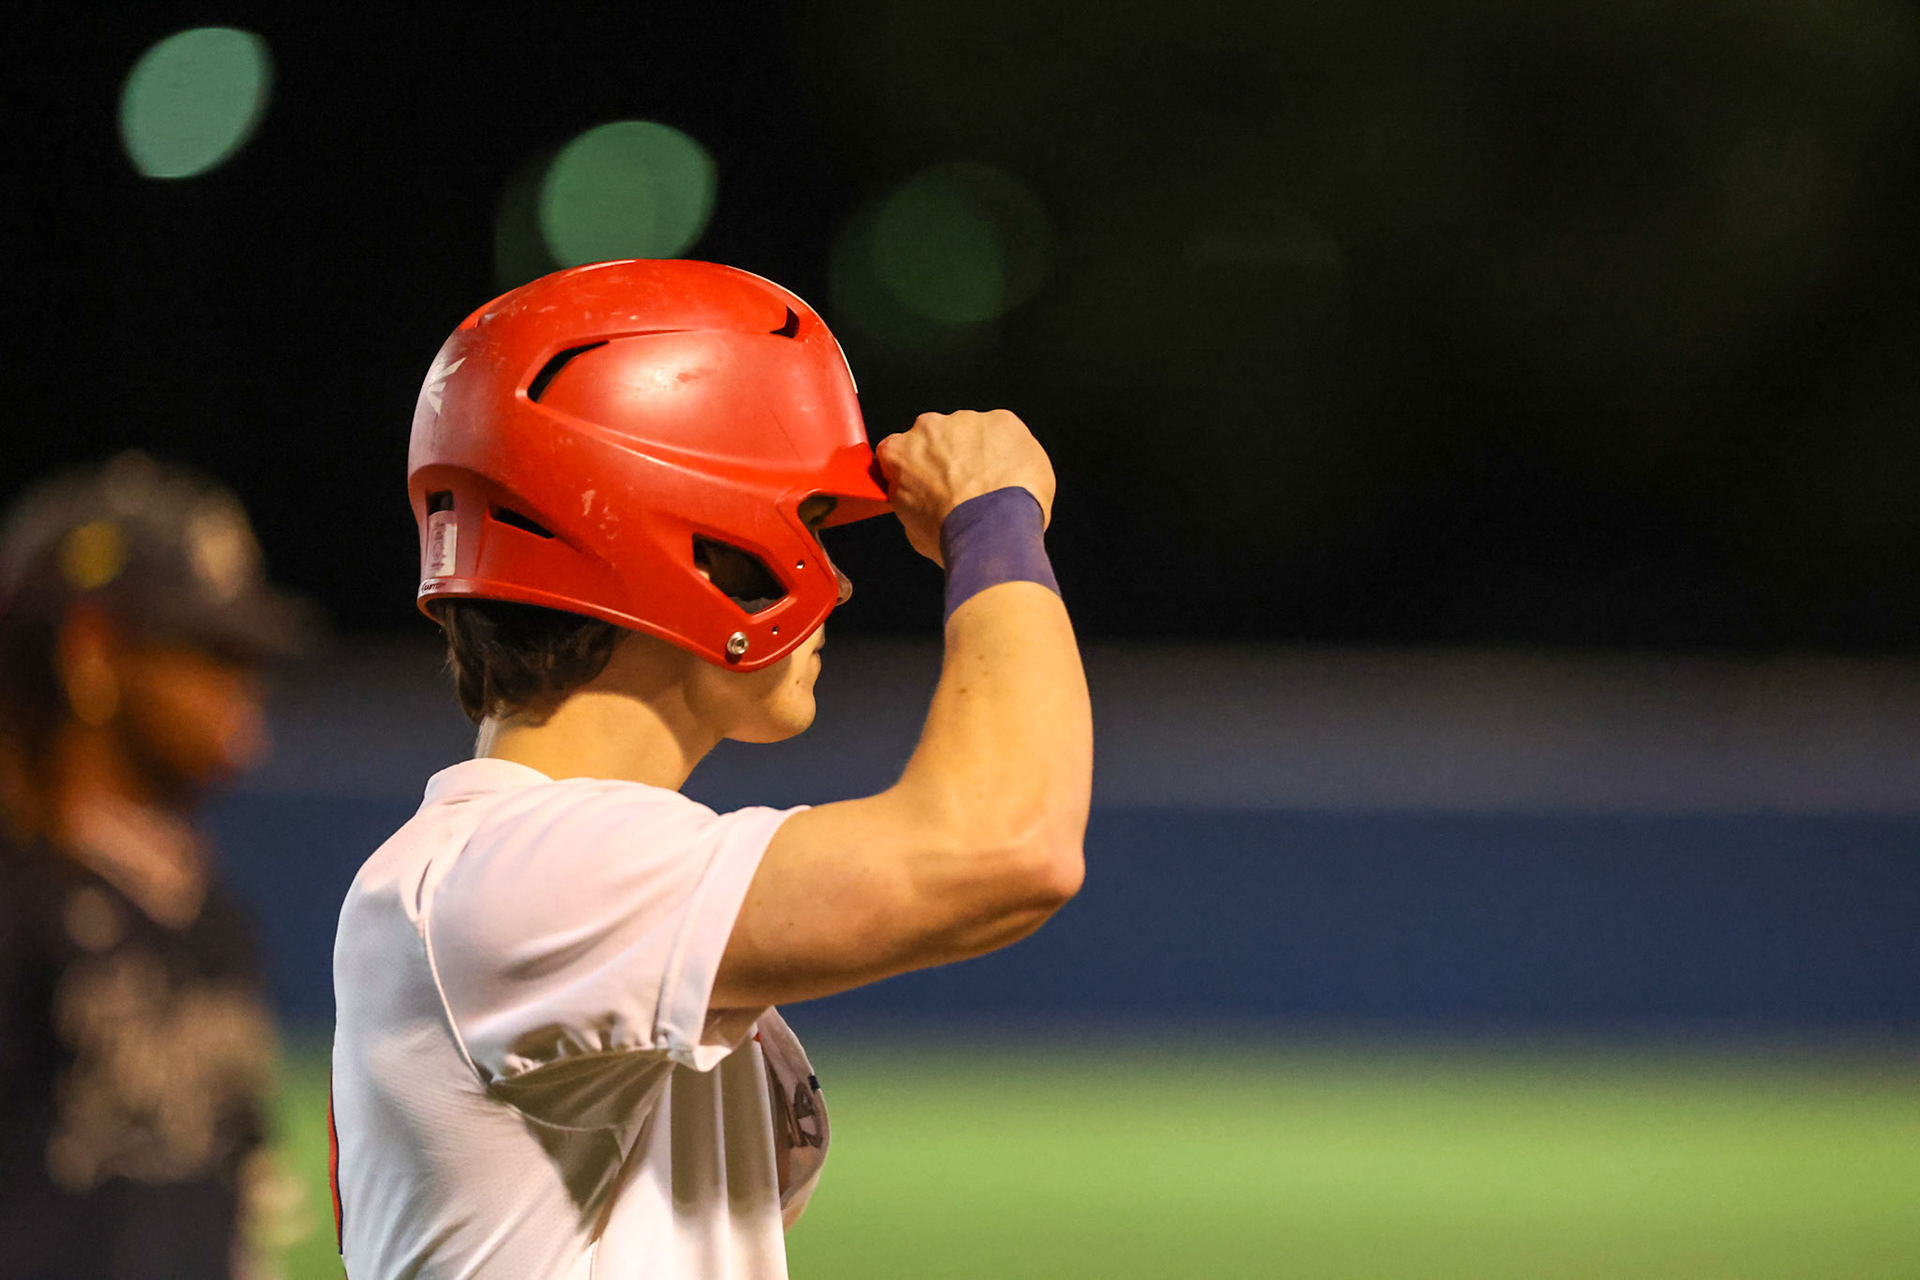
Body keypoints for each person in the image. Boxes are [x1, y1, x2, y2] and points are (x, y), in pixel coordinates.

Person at [329, 258, 1093, 1277]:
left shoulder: (513, 871)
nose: (839, 579)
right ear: (692, 534)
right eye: (810, 523)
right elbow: (1007, 848)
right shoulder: (511, 875)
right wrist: (993, 522)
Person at [0, 452, 314, 1278]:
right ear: (94, 647)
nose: (245, 685)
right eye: (213, 651)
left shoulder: (210, 920)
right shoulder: (17, 903)